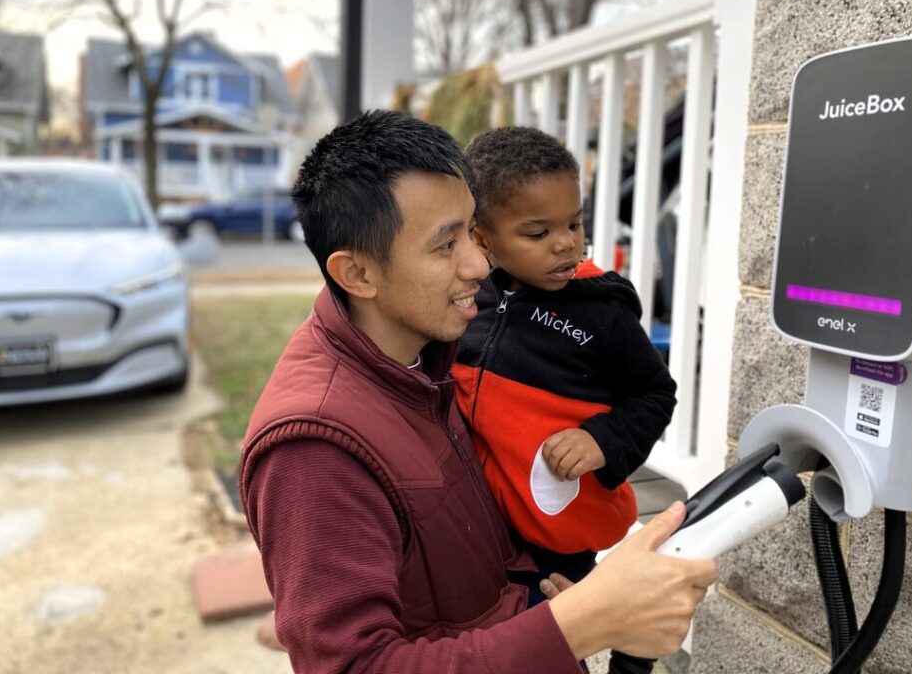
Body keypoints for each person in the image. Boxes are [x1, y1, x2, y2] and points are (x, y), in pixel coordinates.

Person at [238, 111, 717, 673]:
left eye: (471, 230)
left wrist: (551, 599)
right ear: (358, 275)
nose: (478, 262)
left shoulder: (423, 353)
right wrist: (579, 624)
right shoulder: (314, 448)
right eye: (446, 246)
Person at [454, 126, 677, 671]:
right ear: (483, 239)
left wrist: (601, 441)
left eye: (574, 223)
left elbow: (655, 392)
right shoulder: (468, 297)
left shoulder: (602, 313)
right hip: (482, 522)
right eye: (538, 232)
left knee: (548, 642)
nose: (566, 244)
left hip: (560, 532)